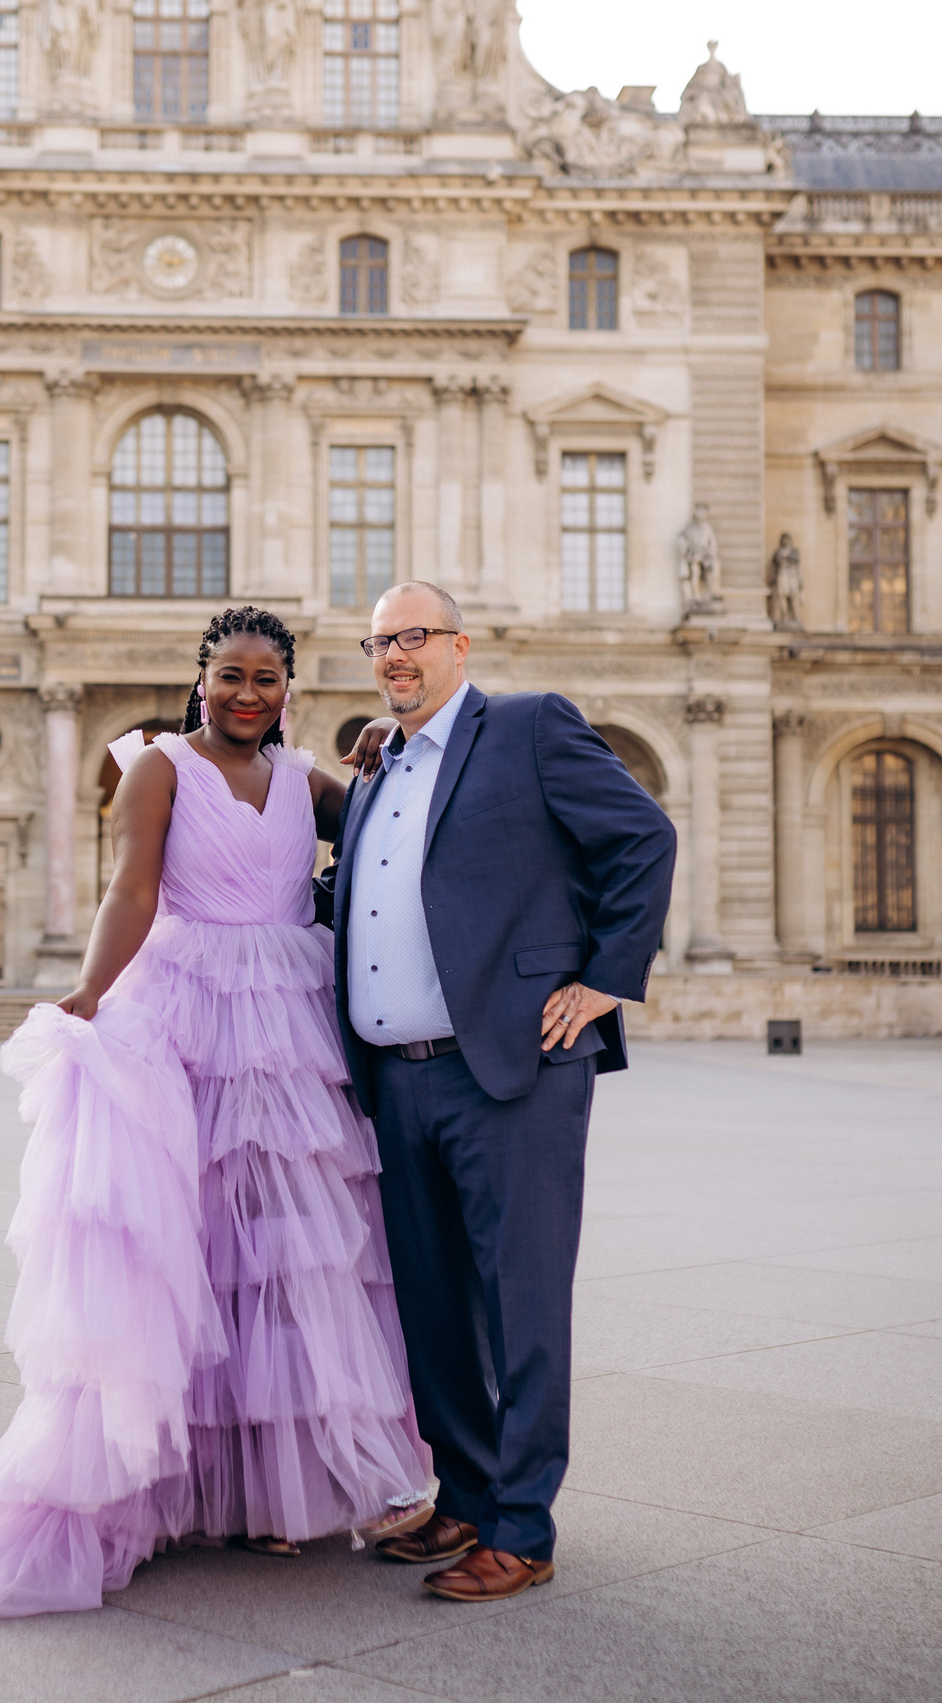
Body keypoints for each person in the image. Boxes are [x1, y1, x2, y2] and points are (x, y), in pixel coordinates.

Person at [0, 606, 428, 1618]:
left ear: (288, 690)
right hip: (191, 1008)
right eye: (230, 674)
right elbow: (131, 892)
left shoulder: (305, 781)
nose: (247, 693)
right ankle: (190, 1483)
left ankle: (280, 1486)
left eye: (266, 678)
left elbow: (392, 815)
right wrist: (90, 991)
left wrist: (389, 737)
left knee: (289, 1253)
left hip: (292, 1014)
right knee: (197, 1247)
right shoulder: (158, 767)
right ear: (201, 679)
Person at [328, 580, 674, 1604]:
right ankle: (470, 1495)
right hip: (396, 1079)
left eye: (414, 635)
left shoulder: (526, 729)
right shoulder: (378, 765)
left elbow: (642, 837)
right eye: (379, 642)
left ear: (460, 645)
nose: (395, 655)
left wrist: (607, 977)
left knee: (520, 1303)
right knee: (433, 1308)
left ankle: (523, 1527)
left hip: (510, 1070)